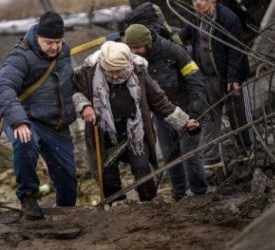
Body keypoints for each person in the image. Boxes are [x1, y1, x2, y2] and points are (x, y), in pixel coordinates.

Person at [73, 41, 200, 203]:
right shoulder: (88, 73)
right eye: (110, 71)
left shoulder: (138, 72)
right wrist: (84, 106)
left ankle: (150, 204)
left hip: (135, 132)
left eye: (118, 71)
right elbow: (76, 92)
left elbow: (159, 101)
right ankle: (116, 208)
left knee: (142, 169)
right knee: (107, 175)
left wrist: (185, 122)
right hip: (103, 132)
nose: (114, 76)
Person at [0, 11, 76, 219]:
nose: (55, 47)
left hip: (56, 124)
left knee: (68, 180)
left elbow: (70, 84)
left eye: (58, 41)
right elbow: (2, 87)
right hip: (26, 119)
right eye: (49, 42)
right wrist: (19, 121)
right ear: (37, 36)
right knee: (25, 141)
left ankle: (65, 213)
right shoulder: (20, 57)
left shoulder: (64, 52)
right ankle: (28, 196)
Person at [124, 24, 208, 200]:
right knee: (170, 157)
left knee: (190, 156)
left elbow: (196, 81)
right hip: (163, 116)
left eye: (137, 47)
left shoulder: (173, 52)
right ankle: (179, 195)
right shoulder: (134, 60)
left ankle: (200, 195)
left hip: (186, 111)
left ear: (148, 43)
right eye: (131, 48)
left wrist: (194, 113)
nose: (134, 52)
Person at [179, 0, 253, 167]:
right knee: (210, 116)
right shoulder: (195, 16)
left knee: (238, 115)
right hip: (207, 77)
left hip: (229, 75)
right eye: (198, 12)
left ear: (212, 3)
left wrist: (233, 78)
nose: (201, 15)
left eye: (205, 11)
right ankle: (211, 158)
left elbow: (236, 51)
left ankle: (248, 150)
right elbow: (185, 33)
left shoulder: (229, 19)